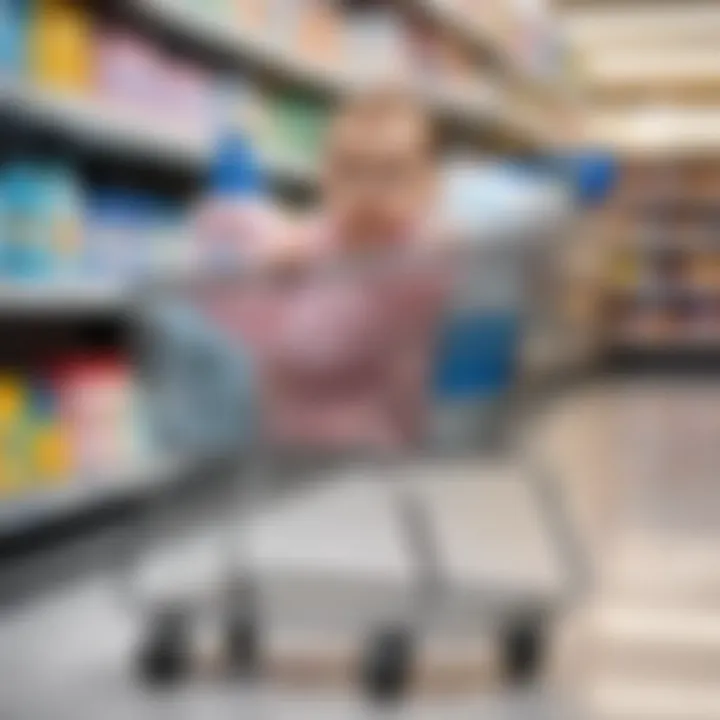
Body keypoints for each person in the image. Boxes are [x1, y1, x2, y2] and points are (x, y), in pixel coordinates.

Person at [200, 86, 448, 449]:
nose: (370, 191)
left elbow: (331, 343)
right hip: (289, 445)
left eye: (391, 172)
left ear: (428, 185)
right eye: (352, 170)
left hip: (378, 452)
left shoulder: (421, 257)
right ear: (326, 176)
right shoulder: (309, 240)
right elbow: (241, 321)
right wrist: (271, 270)